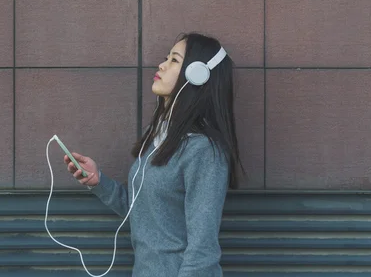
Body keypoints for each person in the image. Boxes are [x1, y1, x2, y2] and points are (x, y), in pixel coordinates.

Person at [63, 32, 243, 277]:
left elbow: (203, 251)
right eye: (166, 57)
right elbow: (143, 213)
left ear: (197, 75)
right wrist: (99, 182)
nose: (162, 64)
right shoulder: (156, 135)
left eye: (174, 60)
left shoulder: (203, 151)